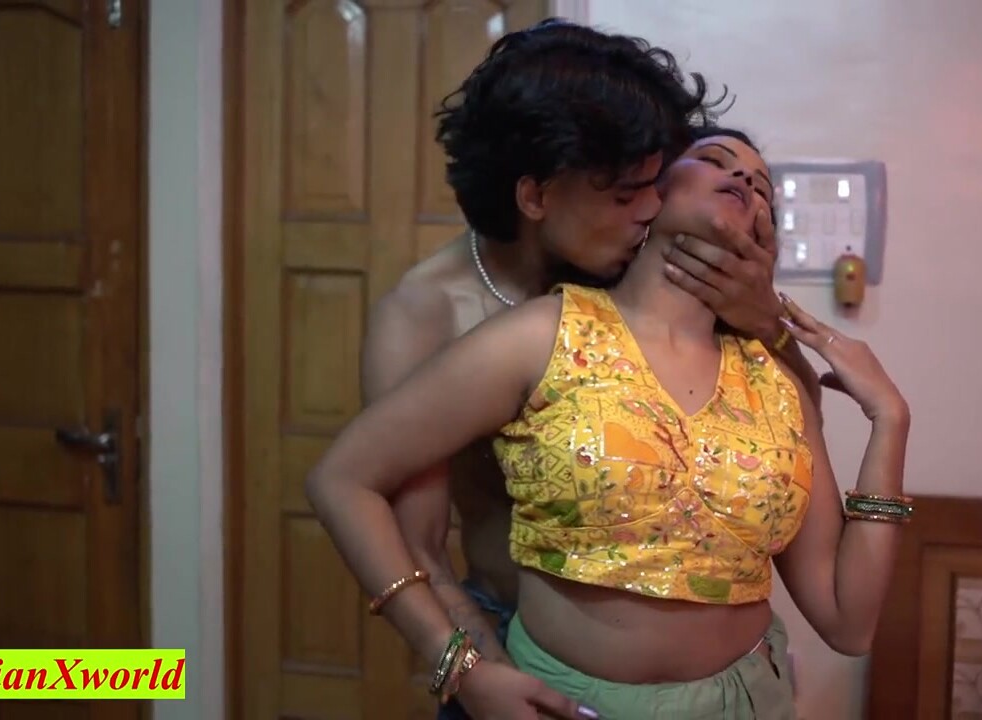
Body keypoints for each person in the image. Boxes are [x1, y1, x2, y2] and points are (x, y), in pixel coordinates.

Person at [311, 125, 911, 719]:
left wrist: (889, 419)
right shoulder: (541, 336)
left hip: (749, 702)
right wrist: (456, 666)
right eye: (715, 159)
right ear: (648, 193)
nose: (744, 180)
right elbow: (343, 479)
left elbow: (849, 624)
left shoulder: (777, 384)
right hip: (565, 704)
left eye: (761, 187)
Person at [359, 18, 823, 719]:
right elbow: (412, 539)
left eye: (655, 182)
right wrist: (469, 668)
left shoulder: (630, 269)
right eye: (625, 193)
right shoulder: (427, 314)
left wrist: (769, 323)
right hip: (503, 635)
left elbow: (793, 422)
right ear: (536, 196)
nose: (651, 208)